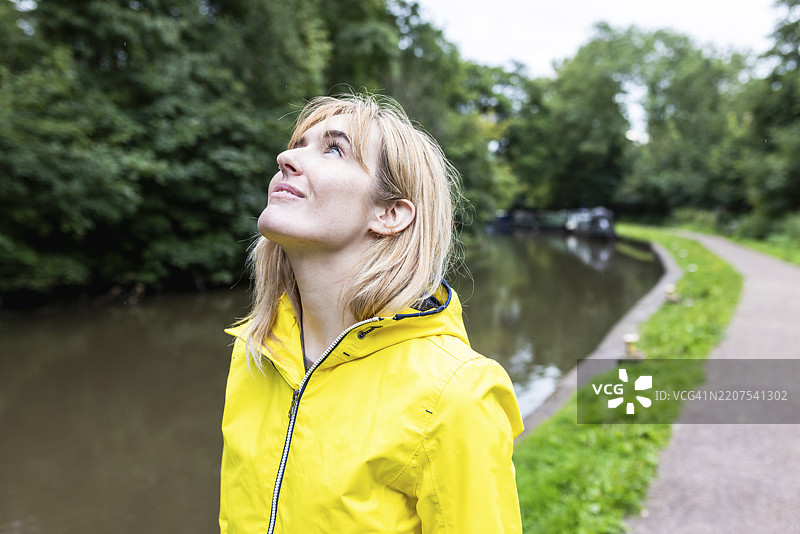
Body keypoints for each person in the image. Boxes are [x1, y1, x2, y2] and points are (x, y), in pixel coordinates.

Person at [219, 93, 524, 533]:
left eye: (334, 149)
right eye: (298, 145)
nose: (286, 158)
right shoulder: (255, 351)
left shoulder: (456, 394)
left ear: (389, 213)